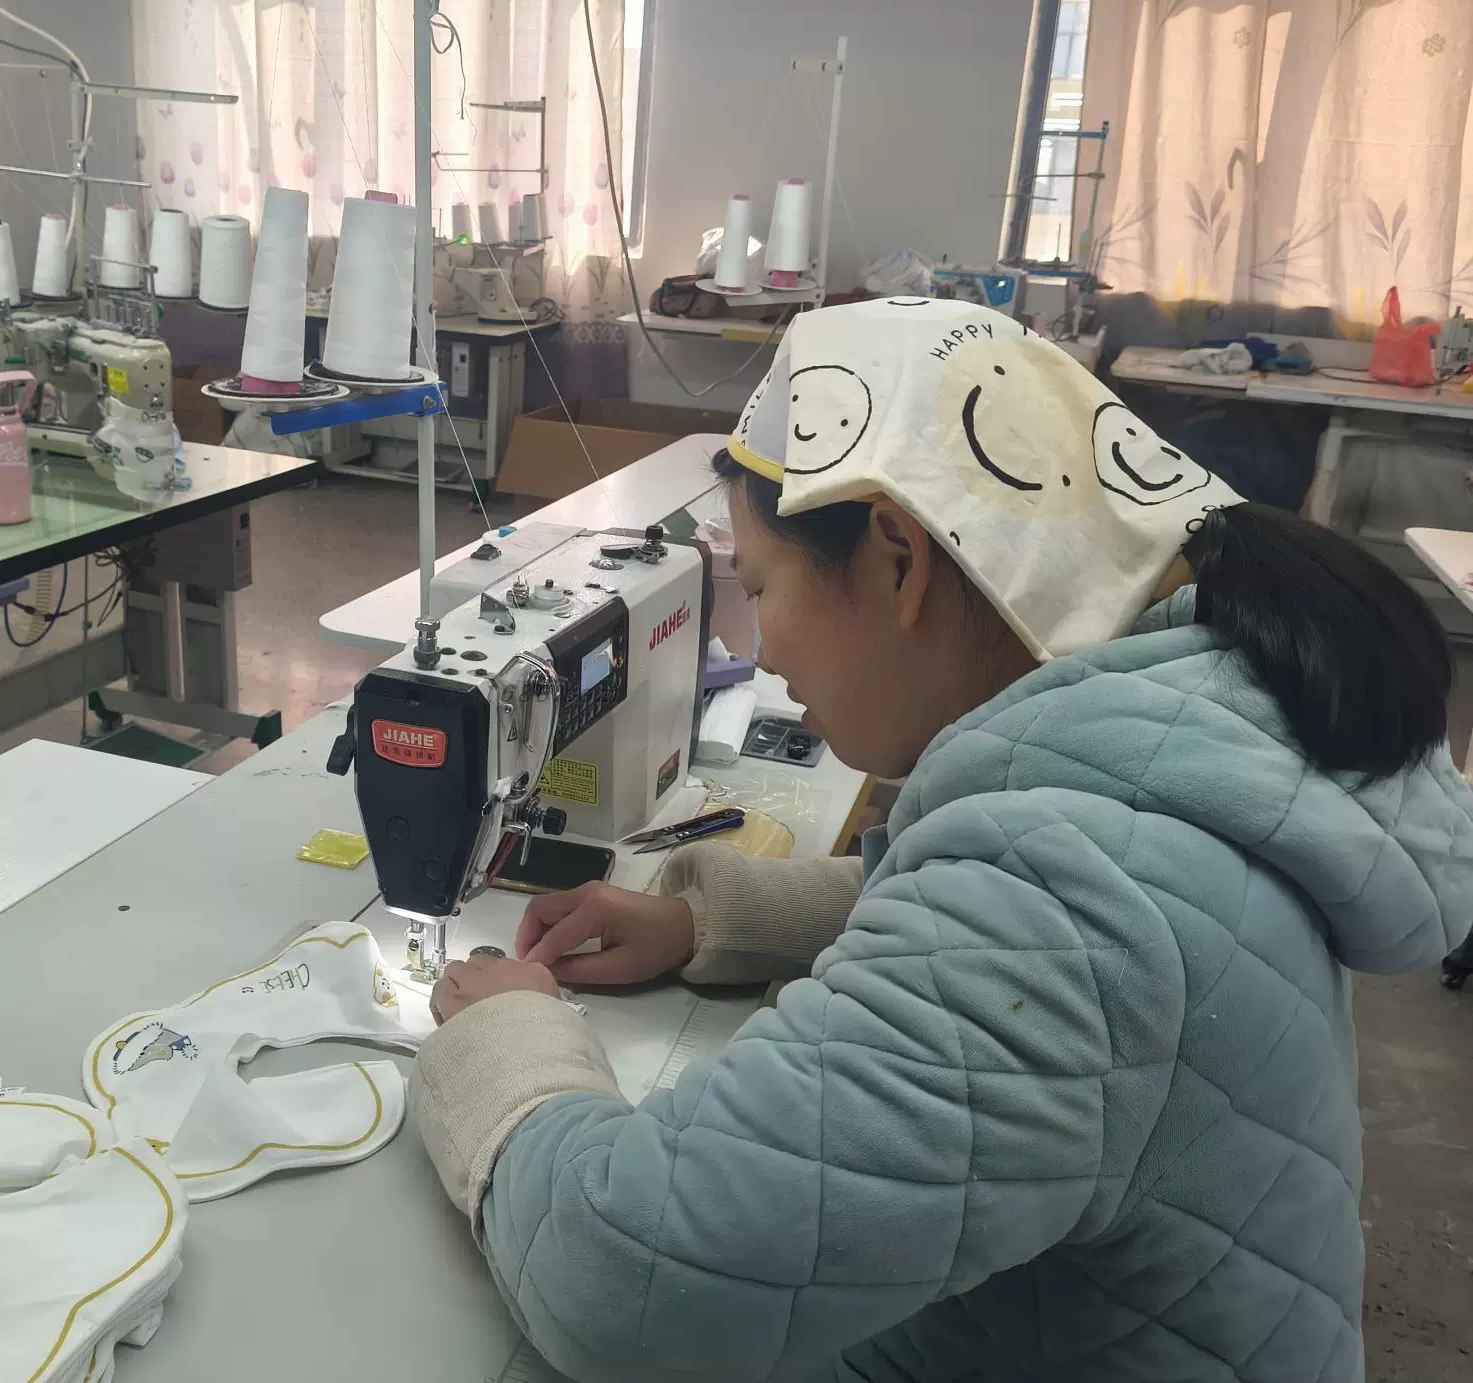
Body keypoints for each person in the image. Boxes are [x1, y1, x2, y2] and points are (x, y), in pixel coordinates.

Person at [408, 299, 1473, 1382]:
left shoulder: (1064, 915)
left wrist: (512, 1049)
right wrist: (714, 920)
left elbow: (622, 1280)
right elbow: (1030, 908)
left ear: (899, 559)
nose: (760, 651)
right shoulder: (1200, 720)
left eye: (762, 588)